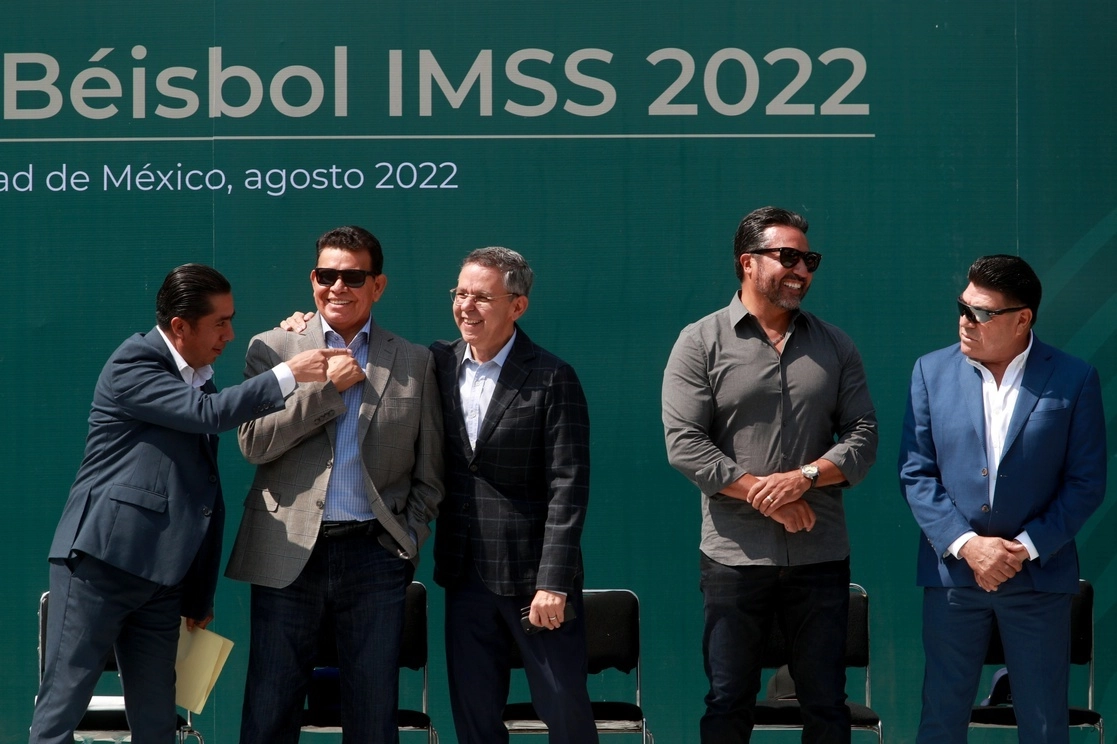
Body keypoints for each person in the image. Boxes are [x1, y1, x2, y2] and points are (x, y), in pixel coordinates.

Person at [30, 264, 347, 744]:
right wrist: (289, 373)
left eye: (231, 319)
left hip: (161, 585)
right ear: (180, 326)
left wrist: (199, 595)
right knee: (61, 710)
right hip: (99, 566)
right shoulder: (133, 363)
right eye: (219, 322)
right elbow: (209, 416)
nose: (230, 334)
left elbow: (200, 496)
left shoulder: (200, 381)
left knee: (158, 722)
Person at [662, 206, 878, 744]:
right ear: (747, 262)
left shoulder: (836, 345)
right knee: (729, 698)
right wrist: (766, 494)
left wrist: (803, 478)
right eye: (788, 257)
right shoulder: (700, 341)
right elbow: (685, 444)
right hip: (735, 556)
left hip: (819, 554)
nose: (801, 269)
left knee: (826, 702)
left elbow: (863, 436)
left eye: (809, 259)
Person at [226, 225, 444, 744]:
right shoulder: (273, 347)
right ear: (313, 279)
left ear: (378, 285)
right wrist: (326, 389)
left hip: (374, 556)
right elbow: (253, 443)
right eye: (327, 275)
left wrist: (406, 540)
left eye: (352, 276)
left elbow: (430, 473)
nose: (338, 287)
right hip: (287, 552)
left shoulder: (413, 361)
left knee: (372, 717)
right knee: (270, 710)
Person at [899, 254, 1106, 744]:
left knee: (1043, 724)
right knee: (941, 719)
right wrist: (969, 545)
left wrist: (1023, 549)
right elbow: (916, 472)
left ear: (1022, 319)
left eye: (982, 313)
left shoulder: (1074, 379)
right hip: (954, 577)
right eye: (963, 307)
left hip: (1036, 579)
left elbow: (1086, 482)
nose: (965, 322)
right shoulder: (930, 372)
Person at [431, 247, 598, 744]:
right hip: (464, 574)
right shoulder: (435, 365)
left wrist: (553, 582)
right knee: (475, 722)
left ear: (517, 306)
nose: (466, 306)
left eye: (482, 297)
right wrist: (302, 328)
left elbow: (568, 486)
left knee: (565, 715)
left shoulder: (551, 376)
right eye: (461, 294)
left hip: (534, 584)